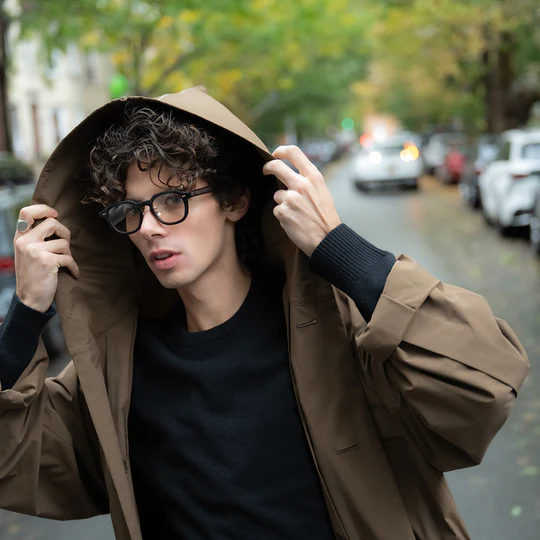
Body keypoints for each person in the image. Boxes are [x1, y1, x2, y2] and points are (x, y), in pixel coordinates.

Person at [0, 87, 529, 540]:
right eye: (131, 210)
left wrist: (339, 247)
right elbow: (14, 462)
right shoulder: (118, 371)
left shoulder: (342, 330)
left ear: (233, 201)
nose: (150, 227)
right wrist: (25, 313)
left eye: (173, 199)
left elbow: (483, 388)